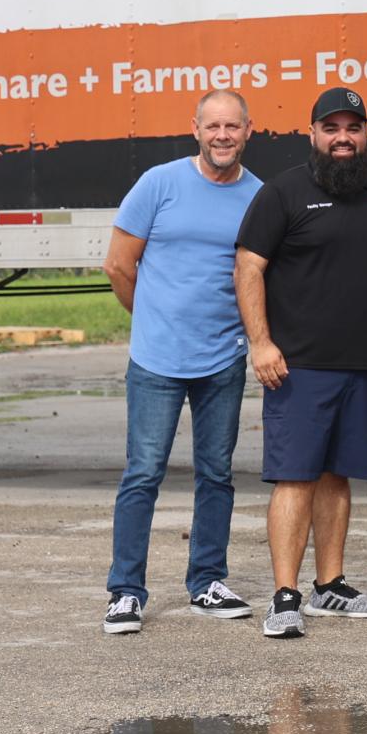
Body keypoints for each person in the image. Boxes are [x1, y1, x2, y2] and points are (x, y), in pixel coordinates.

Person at [234, 87, 367, 639]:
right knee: (295, 478)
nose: (342, 138)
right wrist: (261, 343)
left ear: (366, 134)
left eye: (352, 128)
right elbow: (248, 267)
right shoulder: (283, 193)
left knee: (337, 476)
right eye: (331, 128)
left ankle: (329, 586)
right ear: (312, 133)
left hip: (361, 367)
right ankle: (284, 596)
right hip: (298, 368)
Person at [99, 90, 265, 635]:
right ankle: (126, 592)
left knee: (216, 474)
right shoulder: (159, 183)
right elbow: (119, 265)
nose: (222, 135)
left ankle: (207, 582)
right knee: (143, 474)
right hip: (156, 361)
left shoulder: (259, 197)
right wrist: (152, 318)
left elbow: (259, 276)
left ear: (248, 131)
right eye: (213, 126)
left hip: (223, 359)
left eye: (232, 126)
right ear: (195, 129)